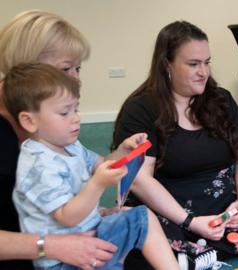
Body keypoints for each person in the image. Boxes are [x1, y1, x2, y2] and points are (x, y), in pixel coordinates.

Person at [112, 21, 238, 269]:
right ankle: (189, 251)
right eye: (193, 64)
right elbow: (139, 179)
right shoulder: (140, 109)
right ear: (167, 64)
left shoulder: (220, 99)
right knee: (142, 240)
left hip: (219, 203)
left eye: (206, 62)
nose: (204, 72)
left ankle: (194, 256)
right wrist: (190, 221)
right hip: (168, 210)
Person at [4, 63, 180, 270]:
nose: (76, 118)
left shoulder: (70, 146)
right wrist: (97, 185)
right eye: (64, 113)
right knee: (141, 219)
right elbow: (67, 217)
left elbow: (102, 165)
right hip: (63, 262)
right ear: (29, 121)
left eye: (76, 109)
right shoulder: (38, 165)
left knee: (141, 217)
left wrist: (124, 151)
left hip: (90, 235)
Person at [0, 10, 117, 269]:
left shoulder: (53, 129)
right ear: (28, 70)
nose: (76, 79)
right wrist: (51, 246)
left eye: (78, 68)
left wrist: (98, 214)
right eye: (65, 69)